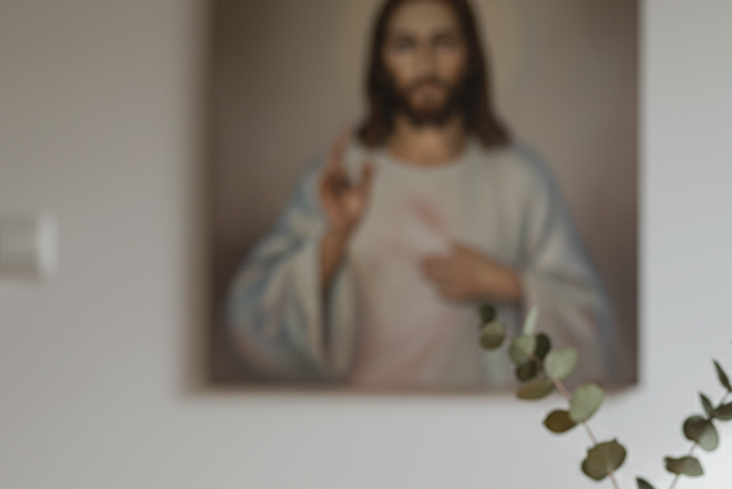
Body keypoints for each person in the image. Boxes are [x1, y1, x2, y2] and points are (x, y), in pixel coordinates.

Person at [227, 0, 612, 388]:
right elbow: (254, 322)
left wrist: (509, 283)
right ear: (379, 62)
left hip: (484, 427)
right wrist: (335, 239)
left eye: (444, 43)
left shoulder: (519, 178)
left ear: (472, 56)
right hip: (363, 424)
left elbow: (592, 328)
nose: (425, 66)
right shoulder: (339, 175)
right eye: (404, 46)